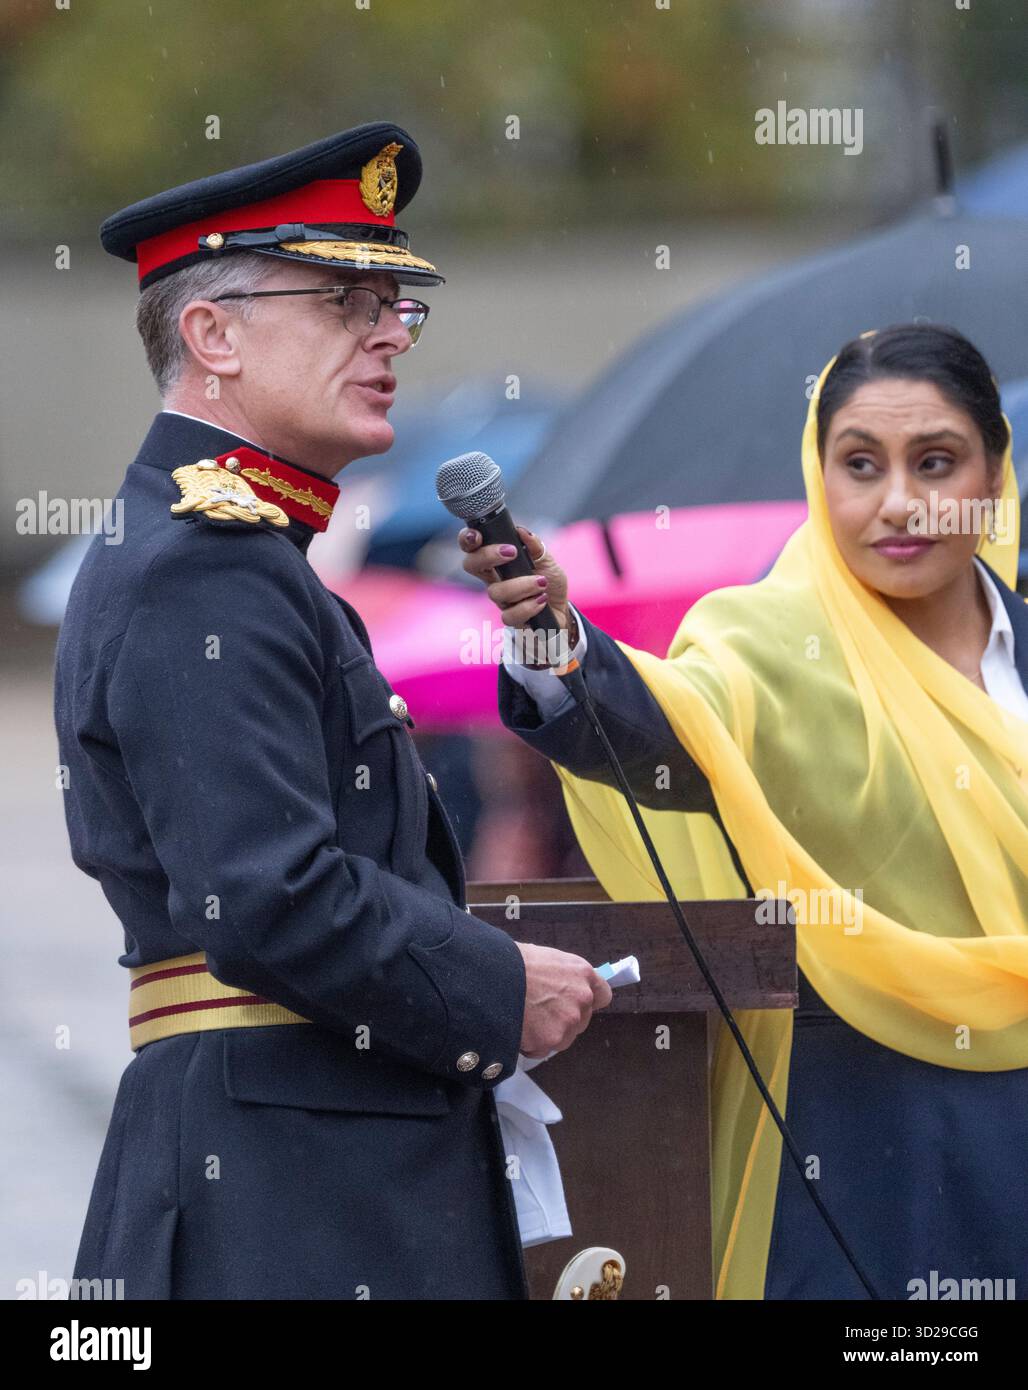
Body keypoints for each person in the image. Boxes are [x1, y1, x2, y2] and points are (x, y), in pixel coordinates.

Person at [54, 122, 610, 1301]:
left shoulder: (245, 556)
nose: (387, 335)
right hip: (283, 1195)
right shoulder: (199, 564)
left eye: (397, 305)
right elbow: (268, 893)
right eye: (343, 299)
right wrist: (499, 986)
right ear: (211, 334)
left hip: (300, 1171)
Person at [460, 322, 1028, 1299]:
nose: (897, 501)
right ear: (818, 480)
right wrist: (558, 642)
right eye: (859, 464)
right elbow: (668, 728)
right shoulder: (765, 644)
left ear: (991, 475)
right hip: (861, 1159)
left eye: (933, 463)